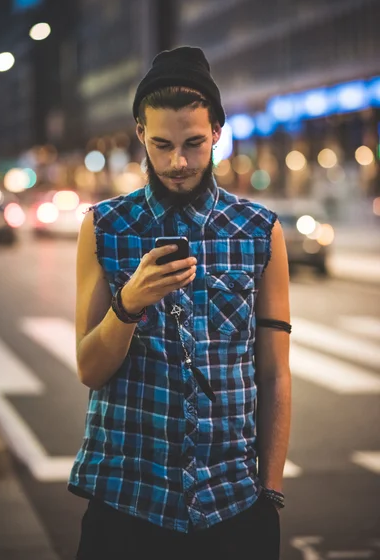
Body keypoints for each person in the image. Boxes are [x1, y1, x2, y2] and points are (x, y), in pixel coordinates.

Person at [69, 46, 292, 560]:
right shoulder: (105, 227)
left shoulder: (259, 231)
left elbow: (274, 372)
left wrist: (270, 494)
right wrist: (129, 302)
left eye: (194, 143)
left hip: (232, 504)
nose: (178, 162)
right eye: (163, 144)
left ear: (217, 133)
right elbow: (89, 368)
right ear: (141, 134)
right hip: (125, 500)